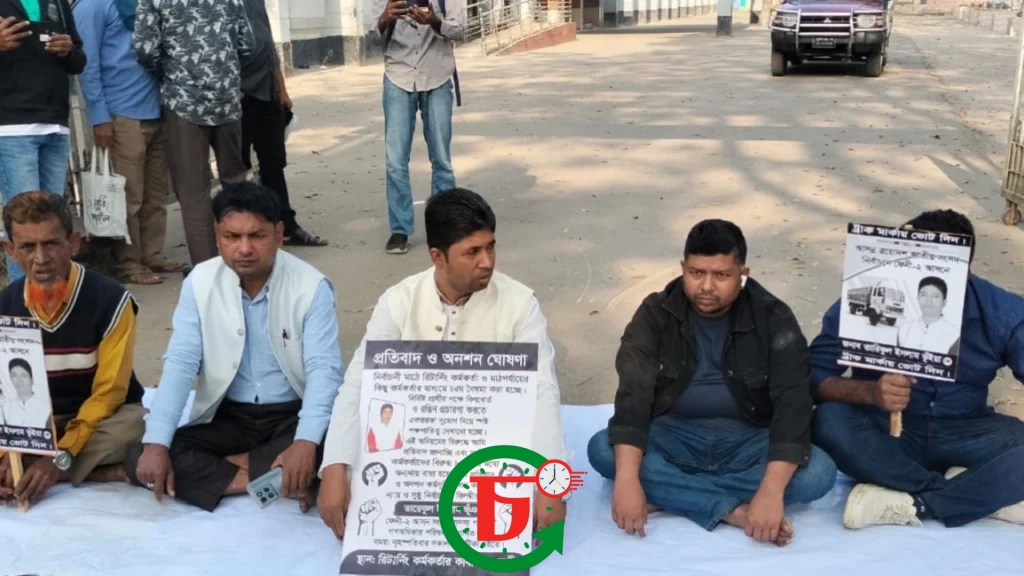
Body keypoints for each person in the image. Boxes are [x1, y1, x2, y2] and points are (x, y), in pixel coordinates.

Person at [317, 187, 568, 539]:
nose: (488, 262)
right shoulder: (398, 301)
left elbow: (542, 391)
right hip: (416, 443)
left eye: (491, 246)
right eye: (472, 252)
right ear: (438, 257)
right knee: (361, 486)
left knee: (523, 506)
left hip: (491, 442)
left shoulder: (520, 303)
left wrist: (550, 482)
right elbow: (359, 383)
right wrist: (334, 466)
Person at [587, 219, 837, 547]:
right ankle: (731, 510)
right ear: (683, 268)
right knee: (602, 450)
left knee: (819, 473)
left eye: (721, 275)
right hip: (674, 436)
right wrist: (628, 479)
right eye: (696, 273)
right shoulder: (655, 312)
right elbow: (633, 396)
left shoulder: (773, 317)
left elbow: (794, 403)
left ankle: (672, 494)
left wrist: (771, 491)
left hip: (748, 440)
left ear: (742, 274)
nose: (706, 286)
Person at [124, 182, 343, 512]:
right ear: (217, 235)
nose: (244, 248)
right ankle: (280, 478)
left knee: (332, 441)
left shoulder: (312, 286)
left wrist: (305, 441)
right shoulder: (200, 282)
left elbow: (323, 371)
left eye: (257, 236)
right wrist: (157, 443)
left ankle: (247, 471)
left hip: (290, 415)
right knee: (144, 454)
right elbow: (181, 362)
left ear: (279, 233)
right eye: (232, 236)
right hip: (230, 416)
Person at [810, 209, 1024, 529]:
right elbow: (812, 375)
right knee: (827, 421)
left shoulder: (1001, 311)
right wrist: (870, 392)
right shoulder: (868, 297)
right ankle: (972, 490)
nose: (921, 275)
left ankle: (919, 502)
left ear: (965, 271)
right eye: (913, 263)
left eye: (937, 267)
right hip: (886, 431)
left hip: (966, 430)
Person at [0, 191, 146, 505]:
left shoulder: (111, 301)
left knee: (133, 427)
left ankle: (49, 471)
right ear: (10, 250)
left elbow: (109, 394)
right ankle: (98, 472)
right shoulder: (4, 308)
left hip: (97, 419)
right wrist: (8, 450)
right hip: (37, 422)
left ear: (74, 243)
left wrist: (59, 457)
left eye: (51, 244)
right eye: (27, 247)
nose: (41, 259)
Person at [132, 0, 255, 270]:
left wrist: (174, 70)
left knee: (194, 194)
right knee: (235, 182)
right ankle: (243, 258)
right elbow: (247, 45)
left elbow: (145, 50)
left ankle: (207, 270)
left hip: (183, 103)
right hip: (227, 100)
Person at [73, 0, 186, 285]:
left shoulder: (143, 4)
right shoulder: (92, 7)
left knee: (155, 194)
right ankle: (129, 262)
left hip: (156, 110)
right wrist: (99, 116)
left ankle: (152, 253)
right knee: (128, 196)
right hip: (121, 114)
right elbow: (87, 65)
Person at [0, 0, 85, 282]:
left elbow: (79, 61)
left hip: (56, 124)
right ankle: (24, 302)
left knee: (53, 223)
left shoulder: (57, 2)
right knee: (24, 225)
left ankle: (56, 296)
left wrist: (68, 50)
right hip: (12, 128)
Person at [375, 0, 465, 255]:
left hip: (437, 75)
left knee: (441, 159)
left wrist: (435, 22)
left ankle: (444, 228)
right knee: (395, 161)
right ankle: (400, 229)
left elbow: (460, 31)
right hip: (398, 75)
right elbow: (370, 35)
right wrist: (384, 18)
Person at [239, 0, 326, 248]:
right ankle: (246, 232)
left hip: (268, 91)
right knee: (238, 168)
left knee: (273, 164)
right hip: (239, 96)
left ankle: (286, 226)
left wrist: (281, 89)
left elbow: (269, 47)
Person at [896, 276, 960, 354]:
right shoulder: (904, 329)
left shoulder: (955, 334)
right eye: (924, 295)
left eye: (935, 296)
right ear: (918, 298)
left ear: (944, 302)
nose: (928, 300)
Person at [2, 358, 49, 427]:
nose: (19, 380)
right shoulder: (5, 407)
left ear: (31, 379)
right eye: (14, 375)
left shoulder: (46, 407)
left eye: (23, 375)